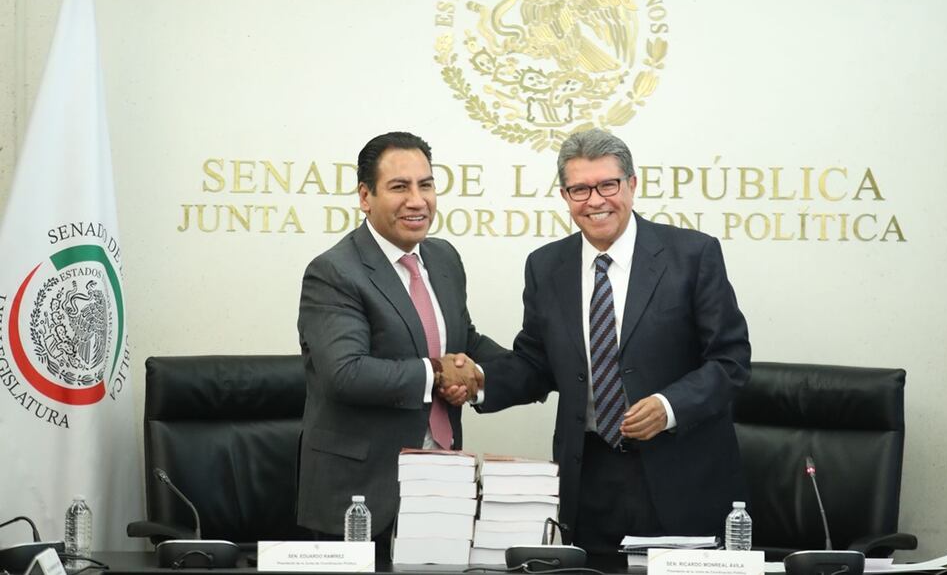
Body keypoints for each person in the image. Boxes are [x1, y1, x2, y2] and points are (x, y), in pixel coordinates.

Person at [478, 128, 751, 554]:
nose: (596, 200)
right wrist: (477, 381)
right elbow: (536, 362)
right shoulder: (546, 266)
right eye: (580, 189)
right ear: (566, 196)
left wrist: (668, 406)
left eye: (608, 184)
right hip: (589, 478)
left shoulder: (692, 255)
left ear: (632, 185)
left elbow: (730, 361)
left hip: (679, 473)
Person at [296, 131, 503, 548]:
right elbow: (346, 372)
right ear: (365, 196)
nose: (417, 200)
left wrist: (528, 368)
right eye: (399, 187)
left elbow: (464, 342)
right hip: (362, 497)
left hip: (441, 485)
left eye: (425, 185)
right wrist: (436, 373)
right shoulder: (335, 272)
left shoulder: (443, 257)